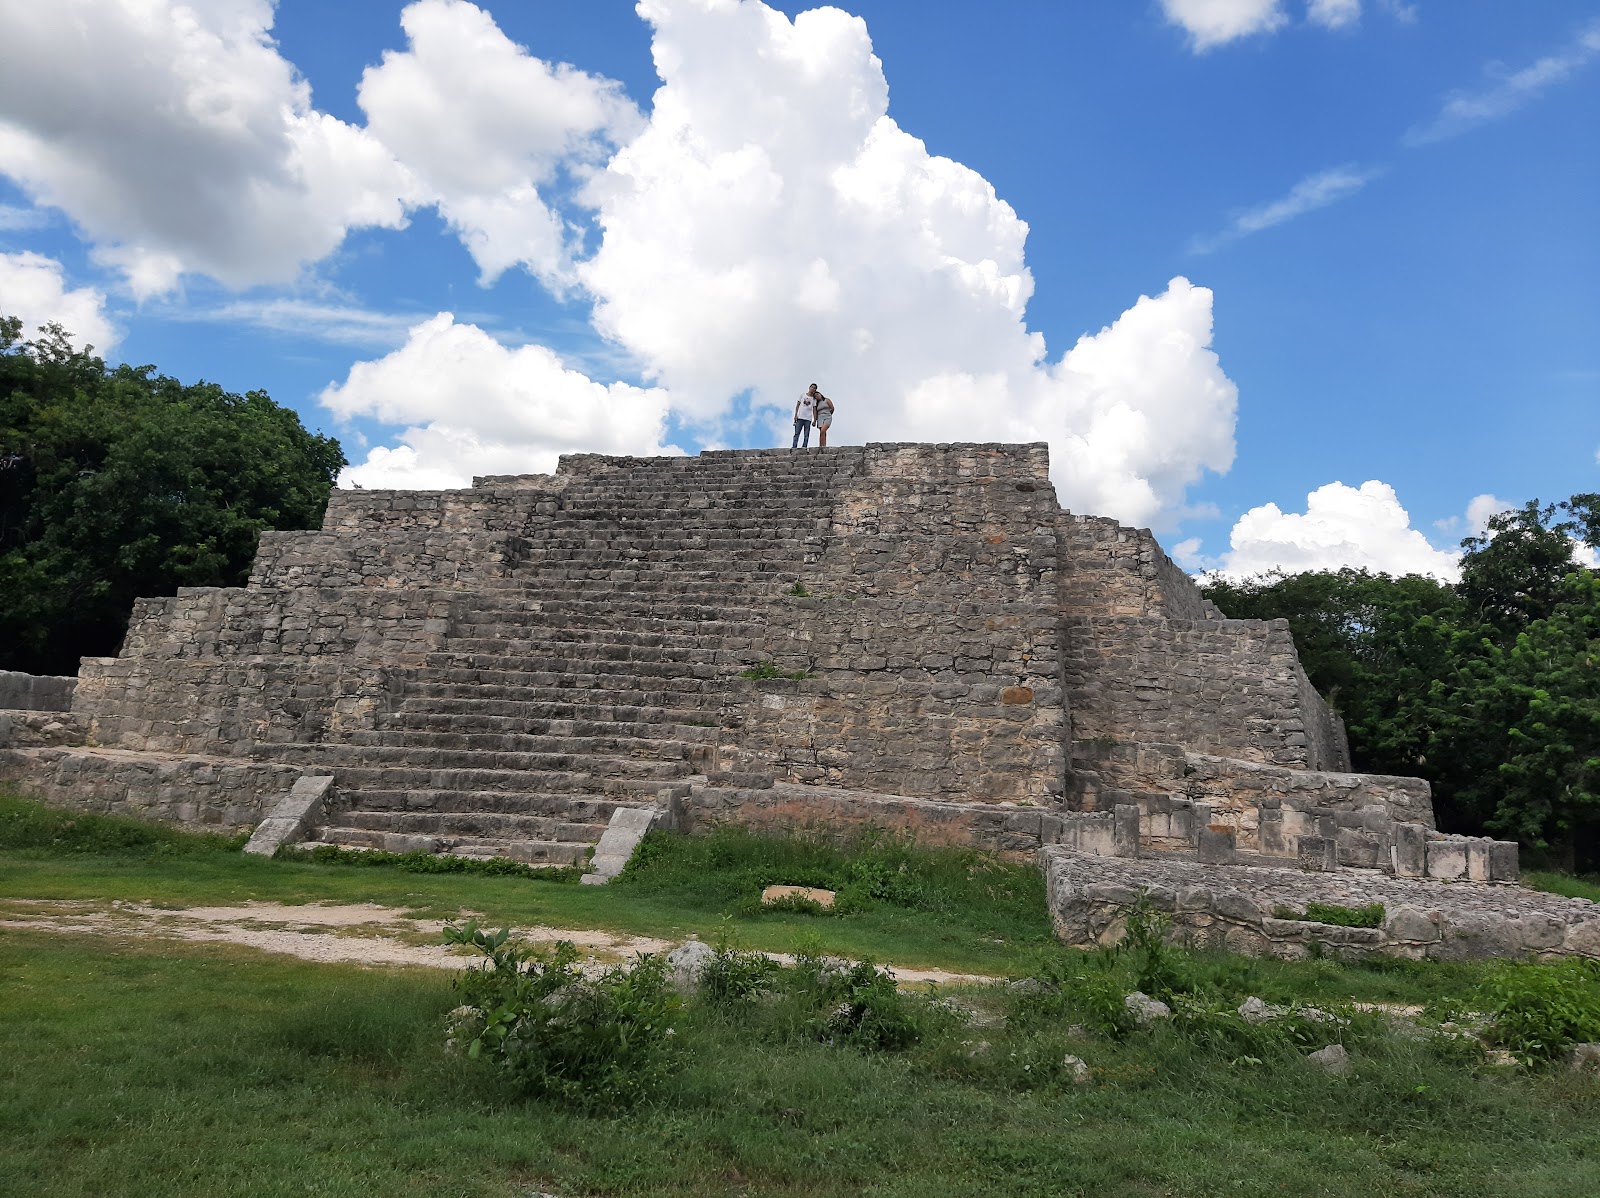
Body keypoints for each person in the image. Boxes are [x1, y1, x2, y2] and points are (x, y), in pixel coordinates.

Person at [792, 383, 818, 449]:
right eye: (812, 387)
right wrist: (795, 415)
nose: (813, 389)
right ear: (809, 387)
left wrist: (814, 420)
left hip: (808, 418)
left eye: (814, 388)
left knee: (806, 434)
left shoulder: (814, 399)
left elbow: (814, 409)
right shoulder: (802, 395)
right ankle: (794, 446)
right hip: (800, 417)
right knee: (796, 433)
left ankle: (804, 446)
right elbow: (797, 405)